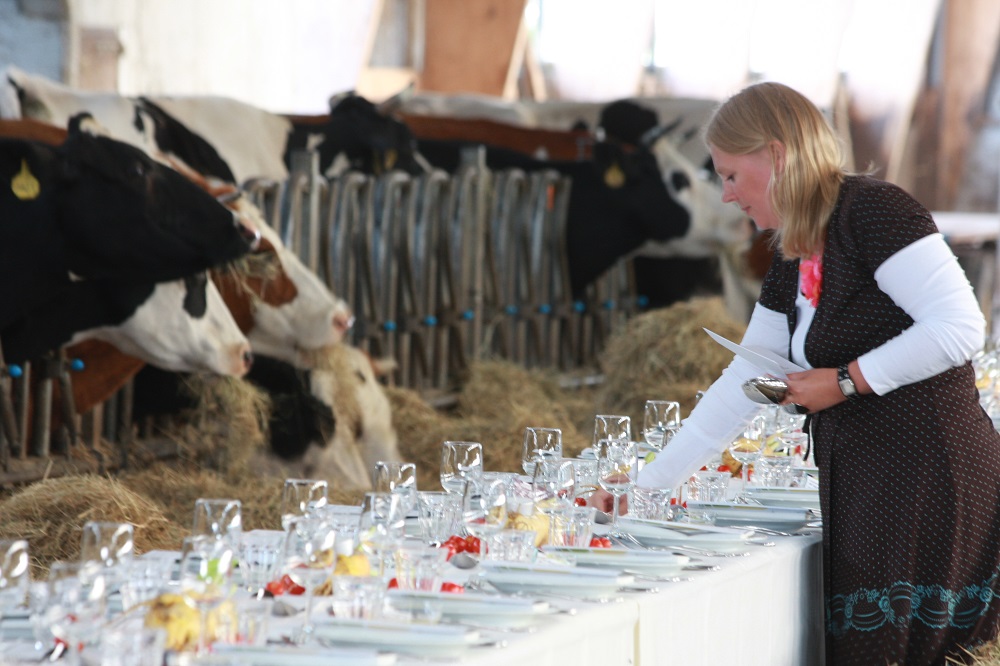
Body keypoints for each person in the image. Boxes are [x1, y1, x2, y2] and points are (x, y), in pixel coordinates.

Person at [592, 81, 1000, 665]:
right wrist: (648, 486)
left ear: (777, 156)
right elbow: (743, 380)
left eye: (731, 175)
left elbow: (961, 326)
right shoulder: (797, 246)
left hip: (928, 475)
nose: (727, 195)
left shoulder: (874, 212)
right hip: (869, 481)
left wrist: (844, 380)